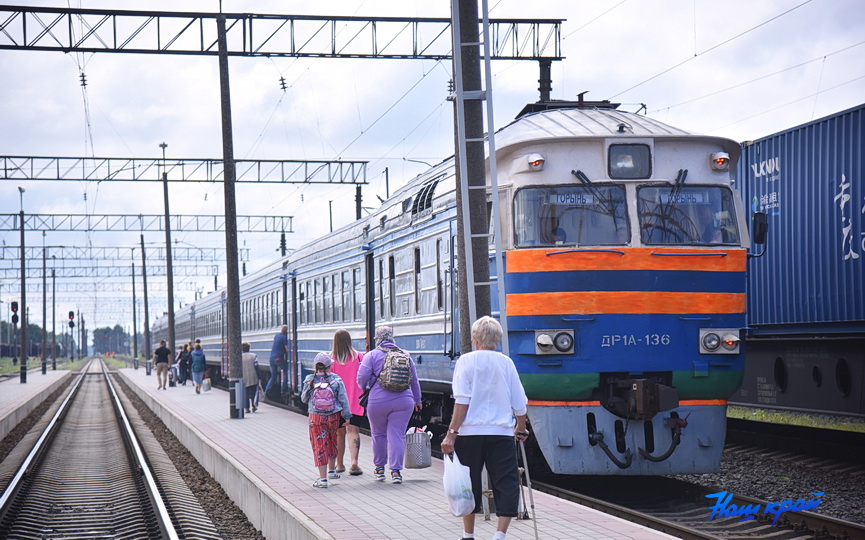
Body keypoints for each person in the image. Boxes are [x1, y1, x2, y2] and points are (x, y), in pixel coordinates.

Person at [440, 316, 529, 540]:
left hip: (469, 433)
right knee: (506, 482)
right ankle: (500, 535)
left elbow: (462, 401)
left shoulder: (465, 362)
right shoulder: (506, 363)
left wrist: (451, 434)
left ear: (474, 339)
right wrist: (521, 428)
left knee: (468, 483)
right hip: (501, 433)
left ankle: (468, 535)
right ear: (497, 339)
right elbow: (519, 402)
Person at [357, 325, 421, 485]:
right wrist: (417, 400)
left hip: (378, 401)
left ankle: (379, 469)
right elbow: (415, 380)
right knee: (397, 435)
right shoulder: (405, 355)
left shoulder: (371, 355)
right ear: (392, 338)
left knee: (378, 434)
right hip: (403, 401)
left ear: (377, 339)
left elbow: (362, 377)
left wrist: (364, 386)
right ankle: (396, 472)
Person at [300, 352, 352, 488]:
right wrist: (347, 416)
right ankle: (332, 471)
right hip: (333, 416)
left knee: (319, 445)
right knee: (332, 440)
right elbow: (343, 400)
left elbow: (304, 399)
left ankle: (322, 479)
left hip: (316, 417)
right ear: (330, 365)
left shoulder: (309, 379)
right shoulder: (336, 379)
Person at [329, 328, 365, 476]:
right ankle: (354, 462)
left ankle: (339, 465)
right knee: (354, 431)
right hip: (355, 401)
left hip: (337, 403)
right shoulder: (359, 357)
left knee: (339, 433)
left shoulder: (330, 360)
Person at [266, 325, 289, 399]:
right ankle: (284, 388)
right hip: (278, 358)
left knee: (273, 376)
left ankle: (267, 390)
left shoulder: (277, 336)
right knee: (287, 370)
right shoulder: (284, 338)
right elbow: (287, 349)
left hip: (272, 358)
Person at [241, 342, 261, 413]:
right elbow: (257, 367)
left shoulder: (240, 357)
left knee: (245, 393)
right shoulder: (254, 356)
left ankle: (247, 408)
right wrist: (259, 377)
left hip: (244, 377)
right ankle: (254, 406)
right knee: (253, 393)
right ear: (249, 348)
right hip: (253, 376)